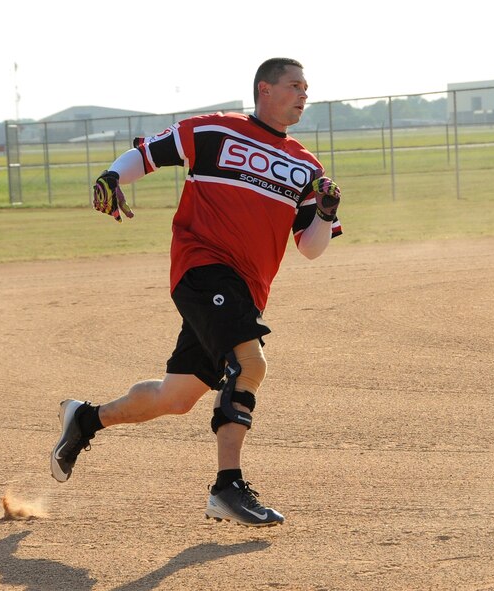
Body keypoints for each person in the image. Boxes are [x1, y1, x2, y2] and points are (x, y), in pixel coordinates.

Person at [50, 57, 343, 527]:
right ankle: (228, 487)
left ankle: (85, 420)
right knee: (250, 364)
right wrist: (111, 176)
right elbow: (147, 155)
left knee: (177, 395)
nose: (304, 93)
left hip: (246, 290)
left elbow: (310, 248)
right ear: (265, 89)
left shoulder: (307, 166)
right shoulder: (217, 130)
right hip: (202, 266)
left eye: (307, 87)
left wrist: (326, 212)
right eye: (295, 85)